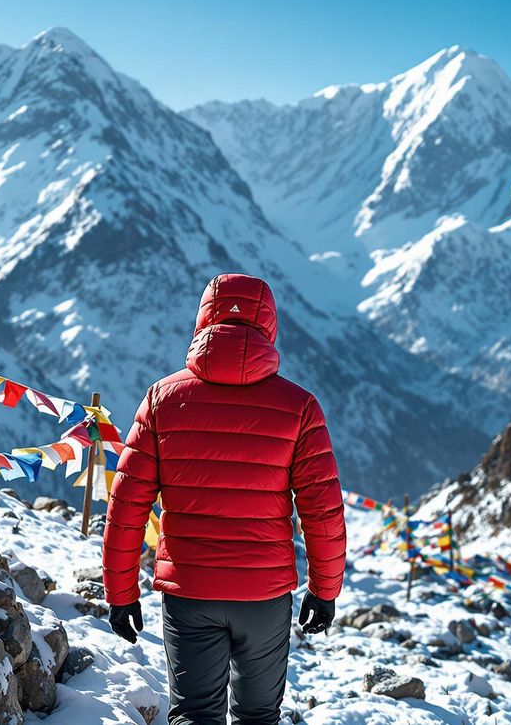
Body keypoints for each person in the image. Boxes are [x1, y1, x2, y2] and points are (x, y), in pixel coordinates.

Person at [102, 273, 347, 725]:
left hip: (189, 590)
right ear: (269, 325)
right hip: (264, 594)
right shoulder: (300, 407)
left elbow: (127, 505)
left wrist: (120, 593)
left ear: (202, 320)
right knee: (258, 717)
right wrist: (324, 589)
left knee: (195, 715)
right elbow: (323, 511)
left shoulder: (161, 398)